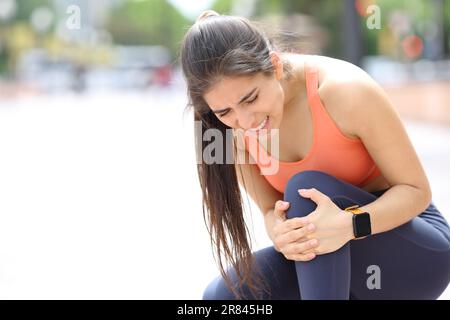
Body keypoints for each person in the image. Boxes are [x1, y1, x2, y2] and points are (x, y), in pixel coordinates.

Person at [179, 10, 450, 300]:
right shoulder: (221, 133)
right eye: (224, 112)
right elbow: (272, 211)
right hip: (333, 265)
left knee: (305, 191)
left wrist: (350, 225)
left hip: (414, 257)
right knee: (222, 297)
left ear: (275, 65)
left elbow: (417, 191)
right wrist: (280, 234)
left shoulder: (345, 92)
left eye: (251, 98)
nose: (245, 121)